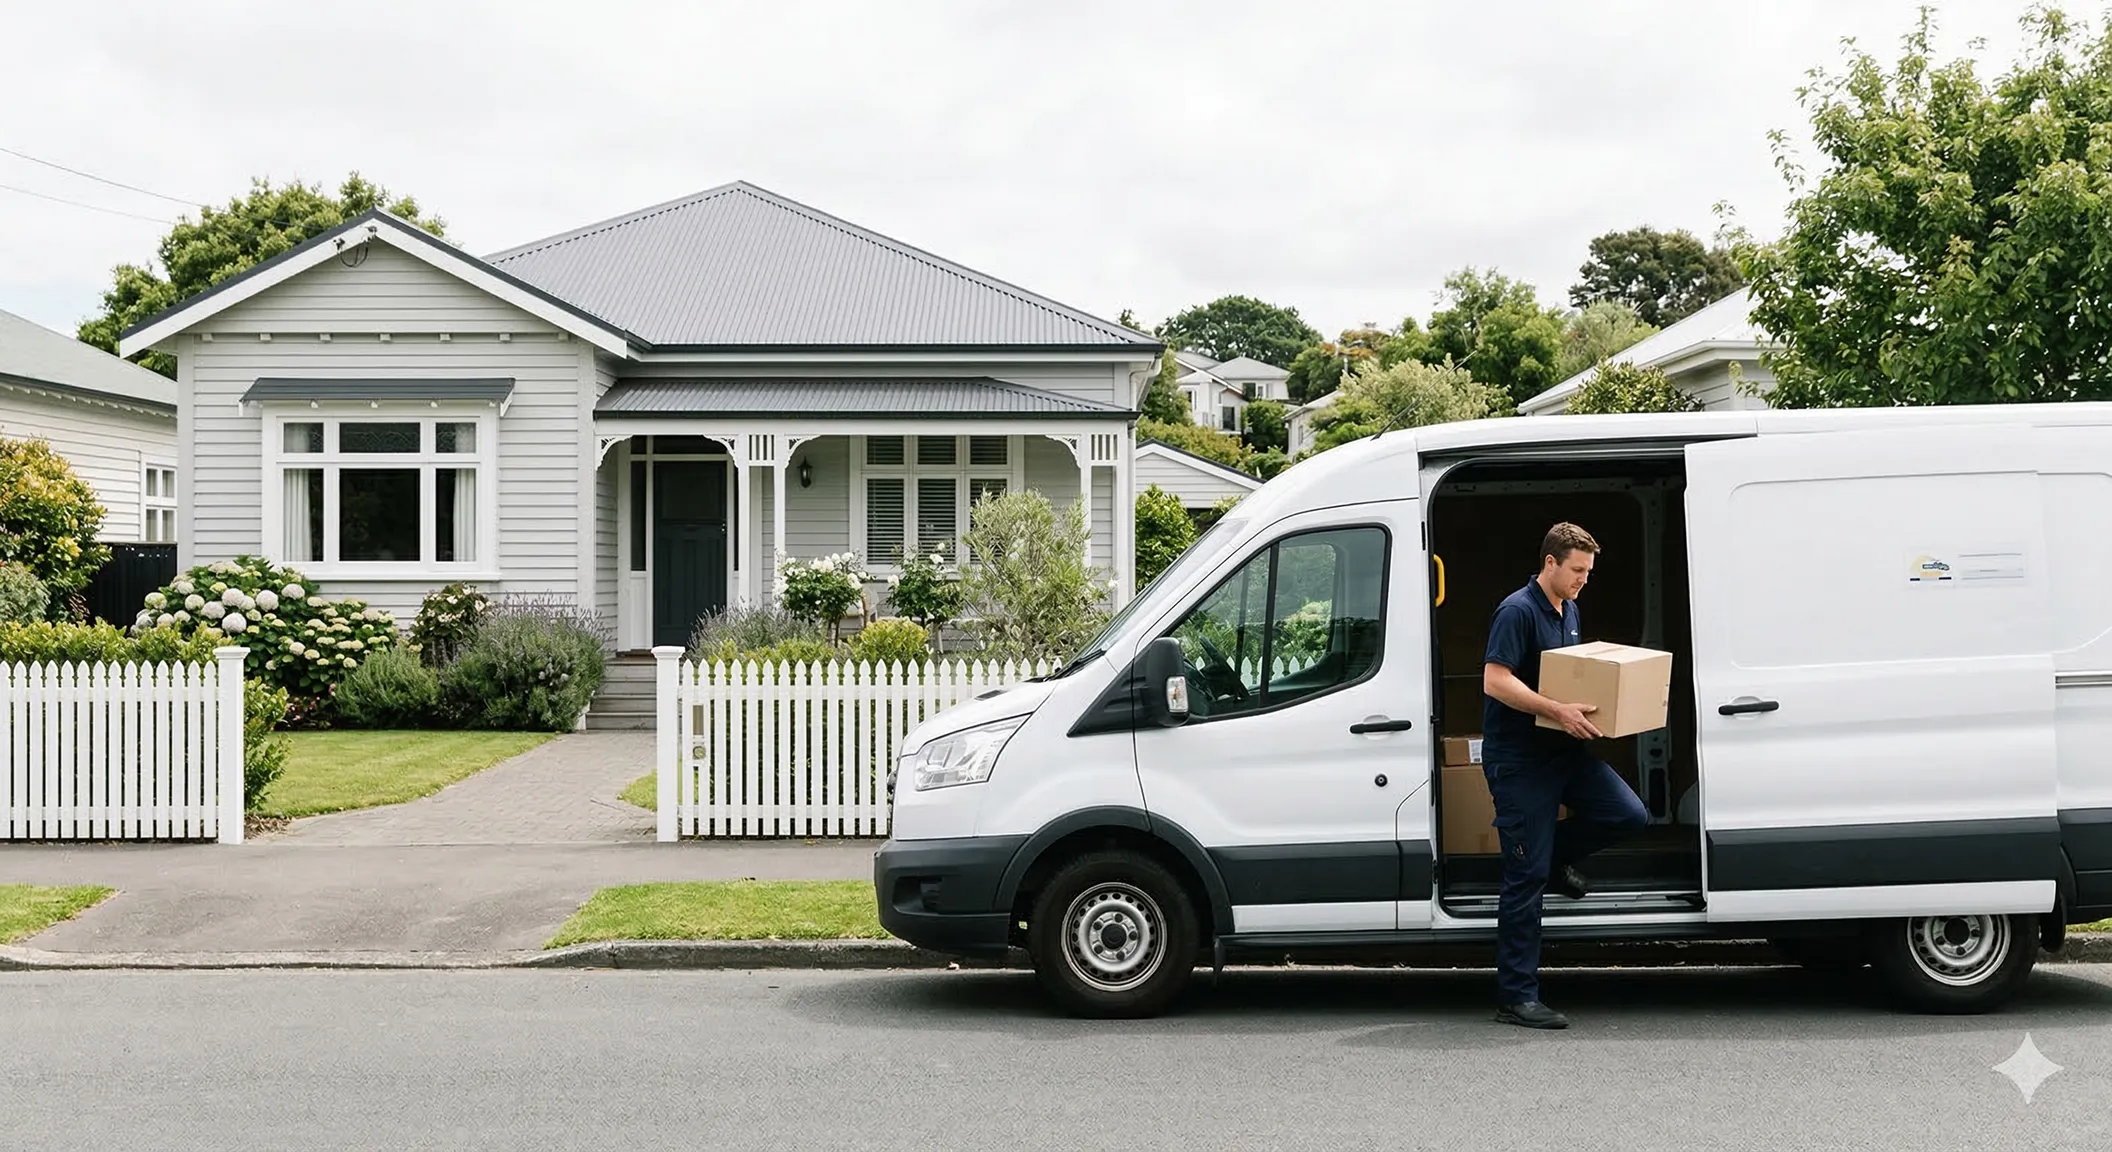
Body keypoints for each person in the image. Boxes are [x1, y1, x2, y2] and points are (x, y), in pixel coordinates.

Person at [1479, 522, 1650, 1030]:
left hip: (1564, 752)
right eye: (1577, 570)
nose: (1583, 581)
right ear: (1550, 563)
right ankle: (1516, 997)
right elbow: (1495, 681)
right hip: (1521, 761)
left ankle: (1553, 858)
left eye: (1589, 573)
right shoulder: (1517, 610)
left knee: (1627, 814)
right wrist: (1558, 711)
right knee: (1524, 877)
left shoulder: (1569, 609)